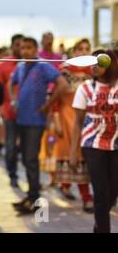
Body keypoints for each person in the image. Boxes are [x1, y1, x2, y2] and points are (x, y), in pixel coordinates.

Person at [10, 37, 68, 214]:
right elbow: (11, 84)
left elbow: (63, 84)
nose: (25, 51)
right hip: (21, 119)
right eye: (22, 48)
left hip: (36, 121)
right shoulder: (20, 67)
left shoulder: (43, 66)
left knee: (30, 159)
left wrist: (48, 105)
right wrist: (14, 100)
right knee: (27, 160)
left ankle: (34, 199)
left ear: (36, 49)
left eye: (29, 48)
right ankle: (31, 195)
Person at [70, 50, 118, 233]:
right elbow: (77, 123)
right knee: (101, 191)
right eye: (93, 63)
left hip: (116, 144)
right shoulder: (85, 88)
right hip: (92, 144)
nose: (95, 66)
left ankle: (99, 224)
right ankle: (102, 228)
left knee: (113, 189)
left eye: (99, 63)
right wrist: (73, 152)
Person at [52, 39, 93, 212]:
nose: (83, 52)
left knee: (83, 156)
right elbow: (55, 100)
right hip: (68, 119)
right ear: (74, 51)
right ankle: (84, 196)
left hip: (89, 120)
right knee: (72, 155)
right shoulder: (63, 71)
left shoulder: (95, 72)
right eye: (80, 49)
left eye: (87, 49)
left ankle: (72, 189)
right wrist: (56, 121)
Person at [0, 34, 23, 187]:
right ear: (12, 46)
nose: (21, 48)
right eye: (18, 45)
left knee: (27, 148)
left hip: (29, 114)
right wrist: (1, 111)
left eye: (23, 45)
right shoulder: (3, 65)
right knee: (10, 146)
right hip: (10, 112)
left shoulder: (31, 63)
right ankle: (13, 175)